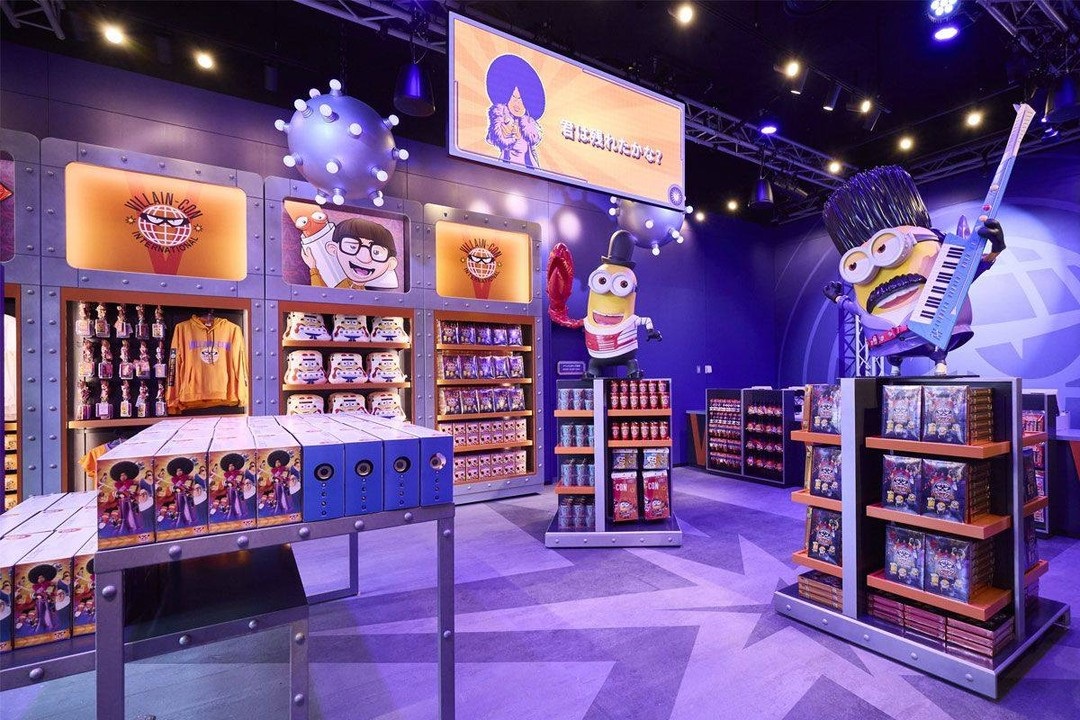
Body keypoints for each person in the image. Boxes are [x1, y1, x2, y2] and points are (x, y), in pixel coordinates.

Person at [821, 166, 1005, 375]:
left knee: (936, 347)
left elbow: (968, 272)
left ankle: (938, 362)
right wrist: (837, 298)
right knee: (895, 358)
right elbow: (854, 308)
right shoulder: (866, 296)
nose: (883, 276)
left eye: (887, 250)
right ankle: (896, 365)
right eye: (856, 266)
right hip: (890, 344)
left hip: (932, 331)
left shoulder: (938, 261)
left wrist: (995, 249)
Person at [303, 218, 400, 290]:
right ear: (333, 249)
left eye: (376, 252)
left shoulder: (383, 288)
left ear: (390, 263)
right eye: (353, 247)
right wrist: (313, 267)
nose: (364, 258)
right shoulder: (345, 284)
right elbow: (322, 296)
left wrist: (313, 269)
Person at [484, 54, 545, 168]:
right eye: (514, 97)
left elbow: (532, 145)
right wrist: (502, 132)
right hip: (505, 170)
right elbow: (491, 138)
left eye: (521, 99)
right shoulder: (502, 119)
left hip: (529, 171)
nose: (517, 104)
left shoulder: (528, 127)